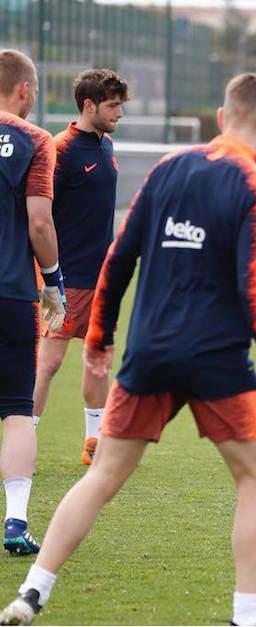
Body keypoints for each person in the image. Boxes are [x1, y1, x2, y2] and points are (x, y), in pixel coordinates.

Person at [0, 73, 256, 627]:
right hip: (218, 362)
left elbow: (118, 258)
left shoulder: (168, 168)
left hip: (149, 354)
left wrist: (99, 341)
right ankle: (249, 616)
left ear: (221, 117)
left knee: (103, 476)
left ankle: (32, 593)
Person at [32, 69, 128, 465]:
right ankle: (23, 440)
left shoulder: (105, 145)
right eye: (113, 105)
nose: (119, 113)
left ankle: (94, 444)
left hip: (101, 279)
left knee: (99, 361)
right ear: (89, 105)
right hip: (66, 279)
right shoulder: (62, 149)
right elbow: (37, 213)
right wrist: (47, 274)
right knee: (48, 363)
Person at [0, 49, 66, 557]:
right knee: (17, 411)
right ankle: (16, 523)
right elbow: (39, 222)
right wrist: (53, 281)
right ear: (24, 90)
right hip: (11, 292)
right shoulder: (35, 139)